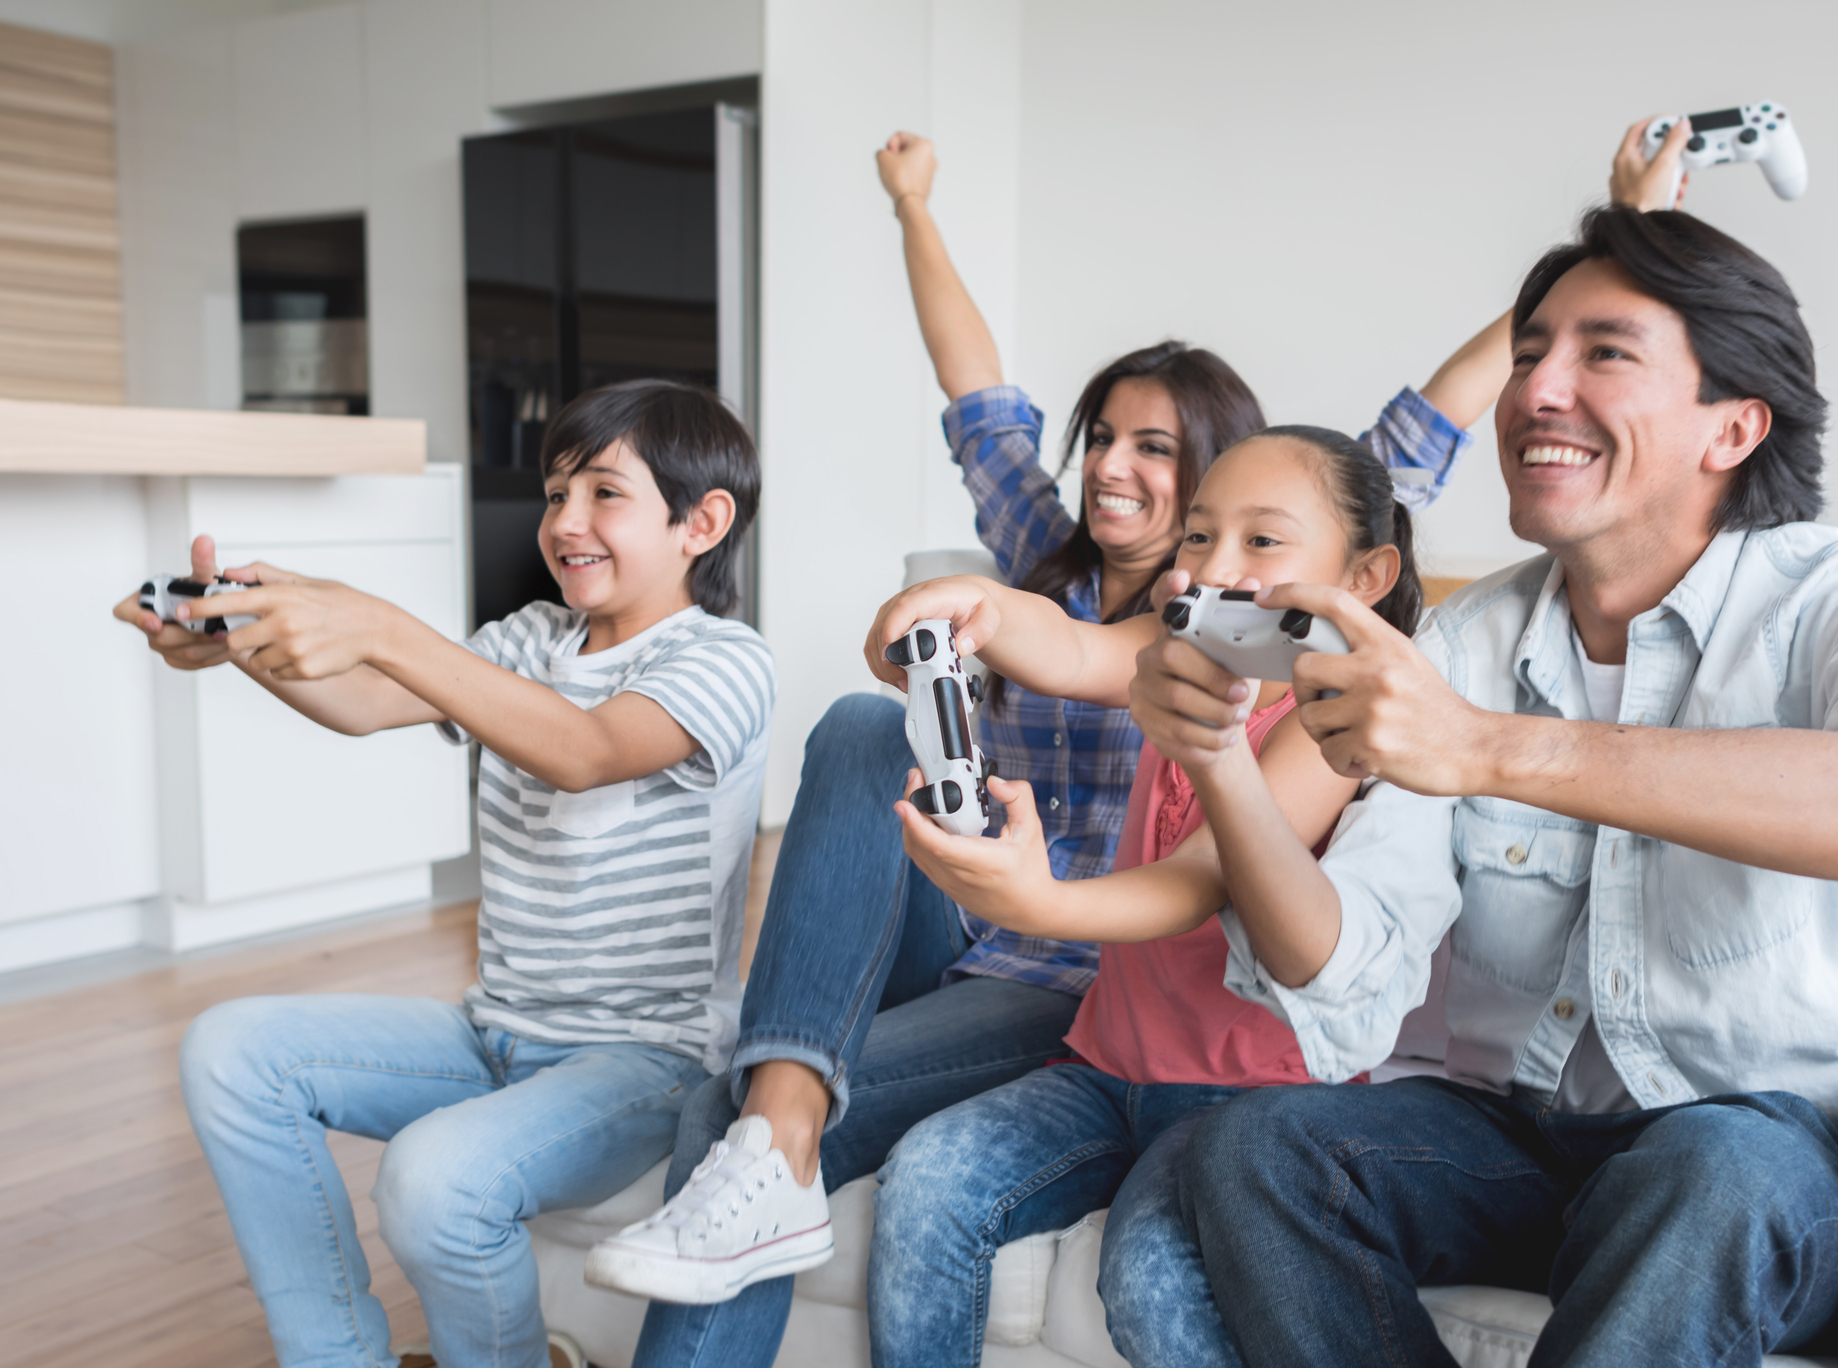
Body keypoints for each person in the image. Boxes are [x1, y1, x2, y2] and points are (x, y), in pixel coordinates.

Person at [588, 124, 1513, 1361]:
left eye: (1163, 459)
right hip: (1009, 941)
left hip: (1102, 981)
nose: (1124, 481)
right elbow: (1042, 572)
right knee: (869, 726)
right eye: (1107, 446)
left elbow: (1417, 436)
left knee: (1125, 1266)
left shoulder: (1331, 686)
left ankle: (775, 1124)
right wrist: (966, 606)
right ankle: (774, 1128)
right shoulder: (1088, 581)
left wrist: (1553, 305)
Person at [1129, 206, 1838, 1367]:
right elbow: (1342, 961)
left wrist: (1492, 749)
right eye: (1528, 355)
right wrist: (1218, 759)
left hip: (1758, 1152)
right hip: (1513, 1137)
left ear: (1731, 426)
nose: (1534, 390)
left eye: (1601, 353)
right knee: (1251, 1151)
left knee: (1706, 1170)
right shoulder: (1466, 639)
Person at [121, 380, 774, 1368]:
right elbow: (366, 702)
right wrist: (233, 641)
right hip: (496, 1031)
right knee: (230, 1050)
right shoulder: (523, 642)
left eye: (603, 493)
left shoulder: (723, 660)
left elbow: (585, 750)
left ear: (703, 522)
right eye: (556, 495)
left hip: (646, 1060)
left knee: (432, 1180)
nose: (566, 522)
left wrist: (381, 623)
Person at [858, 425, 1422, 1368]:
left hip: (1247, 1104)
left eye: (1262, 541)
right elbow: (1072, 646)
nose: (1216, 564)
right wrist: (979, 604)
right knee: (927, 1177)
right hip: (1106, 1067)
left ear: (1364, 577)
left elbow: (1196, 882)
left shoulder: (1338, 717)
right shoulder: (1179, 652)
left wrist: (1038, 902)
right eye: (1199, 537)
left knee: (1152, 1279)